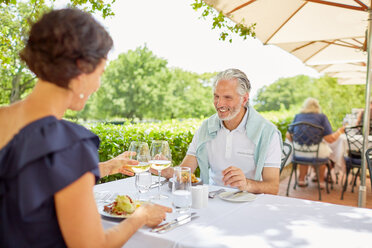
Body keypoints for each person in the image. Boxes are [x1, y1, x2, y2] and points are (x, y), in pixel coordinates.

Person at [0, 8, 171, 247]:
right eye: (100, 73)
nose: (98, 85)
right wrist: (141, 215)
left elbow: (29, 178)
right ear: (82, 68)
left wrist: (106, 167)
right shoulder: (68, 143)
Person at [158, 69, 282, 195]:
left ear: (244, 99)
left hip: (249, 204)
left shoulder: (267, 133)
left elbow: (272, 187)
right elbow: (185, 171)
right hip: (212, 200)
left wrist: (246, 184)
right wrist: (168, 171)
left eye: (227, 97)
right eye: (216, 96)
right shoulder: (205, 128)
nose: (219, 104)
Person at [286, 97, 345, 188]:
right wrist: (340, 131)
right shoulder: (321, 117)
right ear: (318, 107)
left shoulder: (298, 116)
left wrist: (300, 140)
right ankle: (320, 181)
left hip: (298, 151)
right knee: (323, 153)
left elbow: (288, 135)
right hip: (316, 152)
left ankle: (301, 180)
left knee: (305, 151)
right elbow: (330, 139)